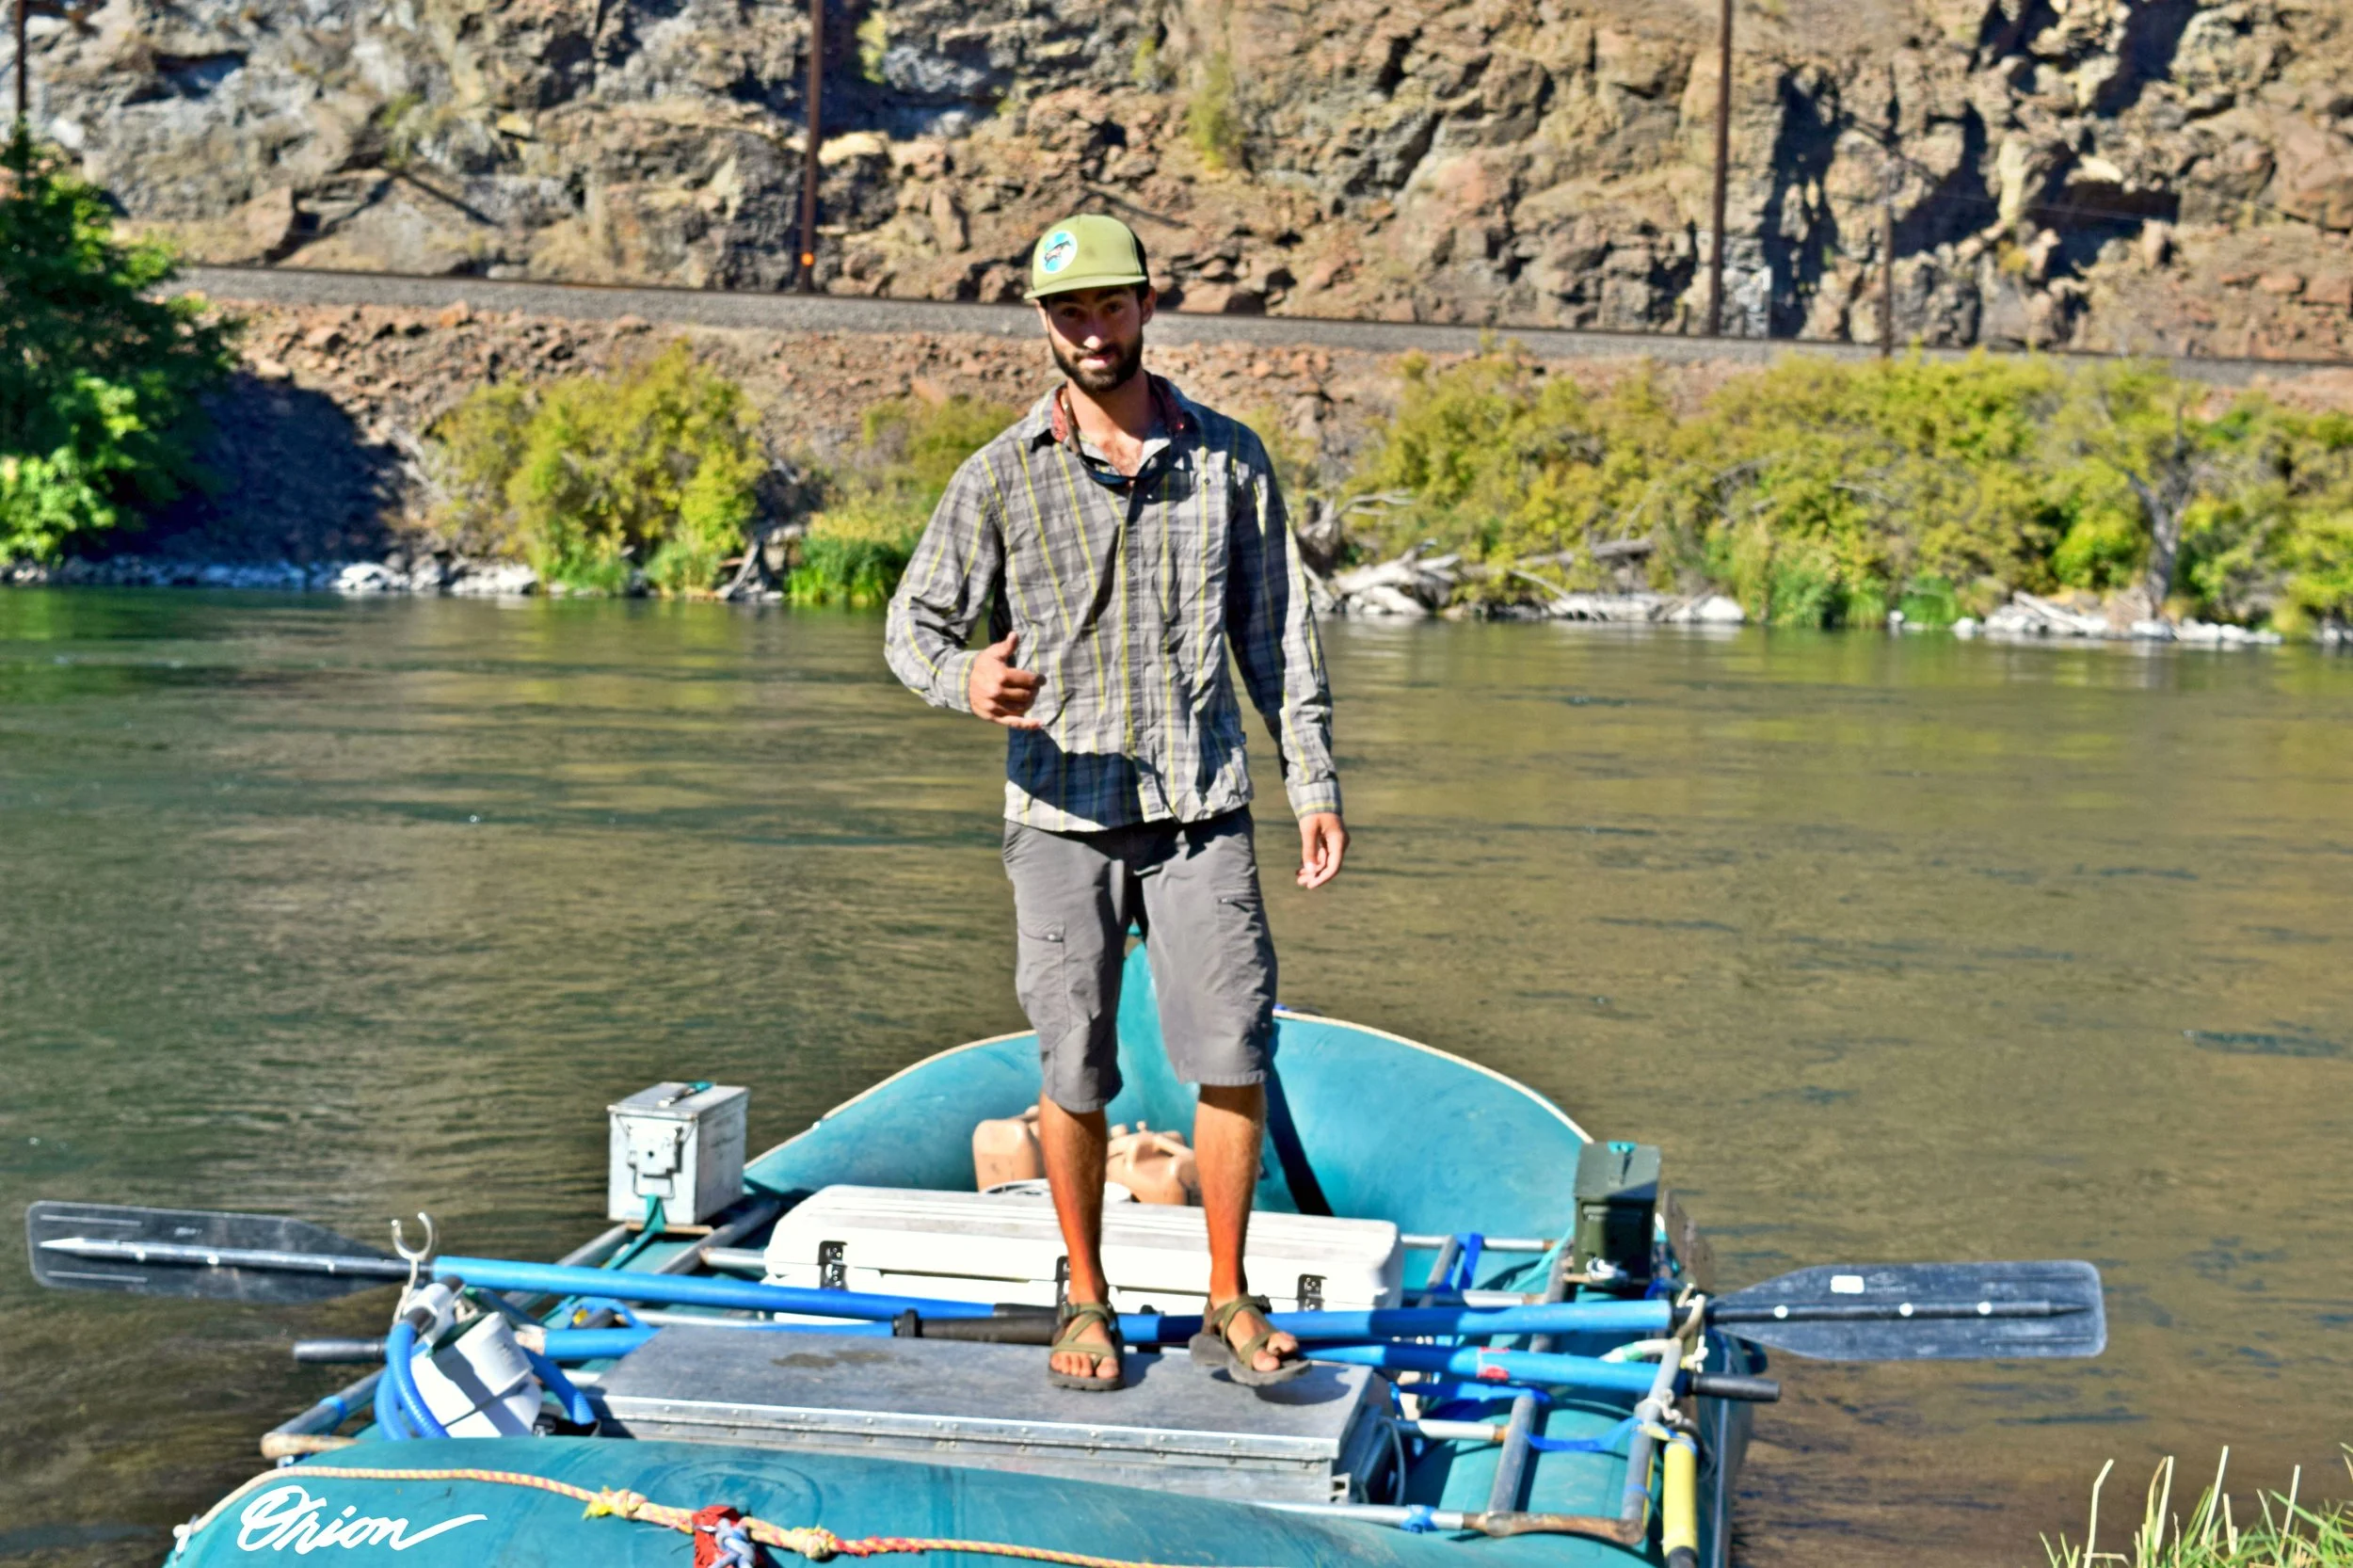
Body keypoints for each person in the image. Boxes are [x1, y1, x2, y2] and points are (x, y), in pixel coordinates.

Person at [884, 214, 1347, 1393]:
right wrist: (963, 679)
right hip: (1057, 812)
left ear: (1147, 305)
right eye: (1067, 312)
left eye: (1107, 305)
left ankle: (1227, 1297)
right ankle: (1084, 1299)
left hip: (1201, 806)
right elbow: (912, 627)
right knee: (1074, 1065)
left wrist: (1313, 784)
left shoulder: (1230, 460)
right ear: (1045, 325)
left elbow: (1278, 639)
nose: (1090, 330)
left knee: (1231, 1049)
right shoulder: (997, 475)